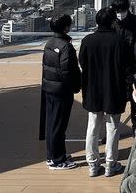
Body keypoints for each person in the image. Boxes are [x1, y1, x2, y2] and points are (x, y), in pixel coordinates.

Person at [79, 7, 130, 178]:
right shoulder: (120, 41)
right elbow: (127, 67)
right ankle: (111, 163)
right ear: (113, 22)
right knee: (113, 127)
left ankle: (92, 164)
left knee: (92, 126)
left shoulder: (87, 41)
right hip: (114, 89)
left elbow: (83, 63)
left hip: (93, 89)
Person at [41, 14, 82, 170]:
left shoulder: (49, 43)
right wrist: (76, 86)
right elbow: (68, 72)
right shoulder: (66, 47)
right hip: (62, 91)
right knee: (59, 126)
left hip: (50, 89)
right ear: (66, 27)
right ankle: (57, 159)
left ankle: (53, 155)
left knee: (52, 124)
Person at [112, 0, 136, 129]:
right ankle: (113, 128)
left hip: (134, 68)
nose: (120, 14)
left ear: (127, 9)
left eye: (122, 11)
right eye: (117, 11)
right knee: (116, 102)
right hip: (117, 70)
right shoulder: (111, 22)